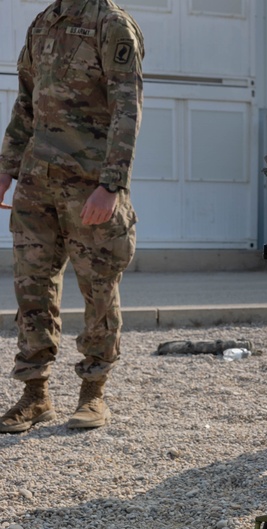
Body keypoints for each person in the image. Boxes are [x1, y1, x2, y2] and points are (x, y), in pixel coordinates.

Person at [0, 0, 144, 433]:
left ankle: (93, 392)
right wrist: (6, 167)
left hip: (89, 185)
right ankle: (34, 394)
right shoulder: (44, 22)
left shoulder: (113, 25)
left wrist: (111, 184)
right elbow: (25, 101)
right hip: (35, 181)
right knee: (32, 286)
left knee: (98, 287)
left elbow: (127, 109)